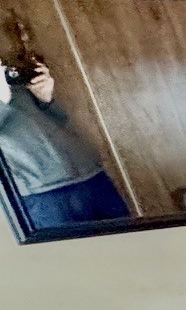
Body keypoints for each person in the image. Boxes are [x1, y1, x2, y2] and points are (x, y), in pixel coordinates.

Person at [0, 61, 131, 232]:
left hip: (89, 176)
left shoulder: (13, 80)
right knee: (67, 256)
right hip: (40, 192)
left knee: (132, 247)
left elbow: (58, 123)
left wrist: (45, 100)